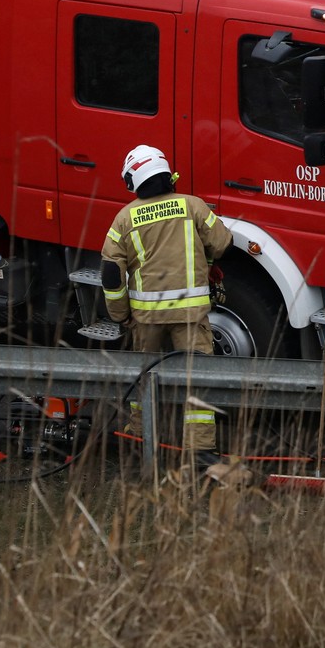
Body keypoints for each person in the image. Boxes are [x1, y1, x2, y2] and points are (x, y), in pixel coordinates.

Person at [101, 144, 233, 465]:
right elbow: (223, 241)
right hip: (191, 316)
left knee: (145, 379)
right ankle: (199, 453)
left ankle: (139, 440)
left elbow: (111, 274)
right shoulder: (192, 206)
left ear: (134, 181)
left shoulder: (124, 219)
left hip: (146, 320)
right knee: (197, 381)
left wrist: (121, 316)